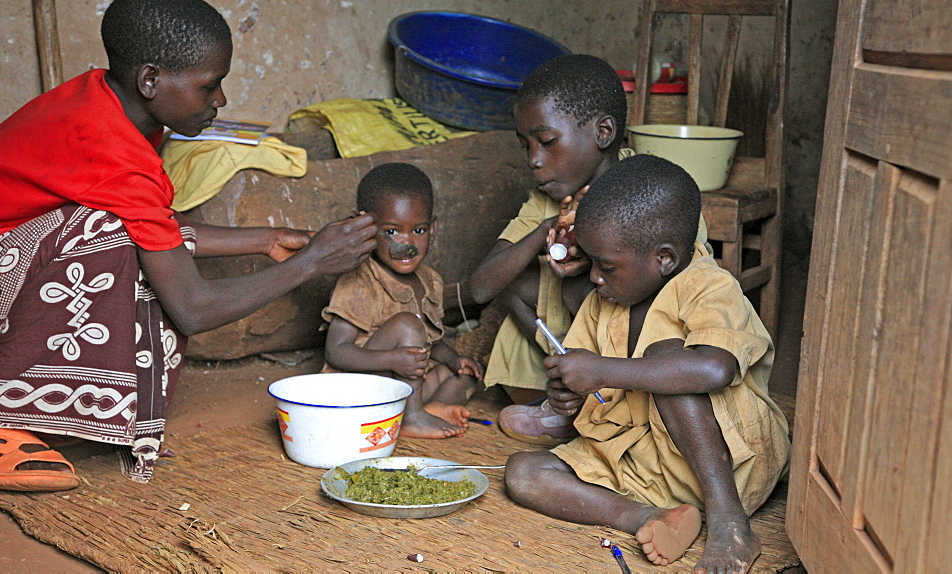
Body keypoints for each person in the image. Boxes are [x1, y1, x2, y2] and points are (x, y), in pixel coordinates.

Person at [0, 0, 378, 491]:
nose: (220, 98)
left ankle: (38, 406)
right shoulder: (112, 149)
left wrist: (264, 239)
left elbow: (155, 226)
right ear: (149, 80)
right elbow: (192, 305)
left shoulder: (108, 102)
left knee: (118, 232)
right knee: (108, 239)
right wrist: (310, 263)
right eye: (210, 84)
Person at [504, 155, 790, 573]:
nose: (596, 277)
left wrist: (601, 369)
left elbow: (714, 369)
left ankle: (730, 524)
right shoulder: (605, 301)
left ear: (665, 259)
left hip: (729, 470)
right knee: (523, 472)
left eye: (607, 266)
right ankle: (648, 518)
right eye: (592, 261)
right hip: (645, 472)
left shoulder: (709, 287)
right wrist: (569, 396)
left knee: (668, 360)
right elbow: (594, 393)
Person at [468, 54, 708, 444]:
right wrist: (548, 229)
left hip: (640, 354)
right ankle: (565, 384)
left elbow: (686, 291)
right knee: (516, 281)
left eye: (546, 141)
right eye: (525, 145)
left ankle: (604, 399)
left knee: (598, 285)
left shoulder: (653, 191)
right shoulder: (547, 201)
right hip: (570, 353)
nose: (533, 159)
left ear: (603, 132)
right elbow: (481, 288)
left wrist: (593, 260)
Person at [322, 163, 485, 439]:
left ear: (433, 228)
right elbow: (336, 352)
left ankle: (436, 407)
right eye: (392, 232)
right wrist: (392, 359)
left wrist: (454, 359)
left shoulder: (430, 280)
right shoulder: (360, 281)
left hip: (403, 386)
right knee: (407, 325)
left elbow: (429, 341)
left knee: (464, 376)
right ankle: (411, 417)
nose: (407, 244)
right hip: (361, 390)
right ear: (362, 226)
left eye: (418, 231)